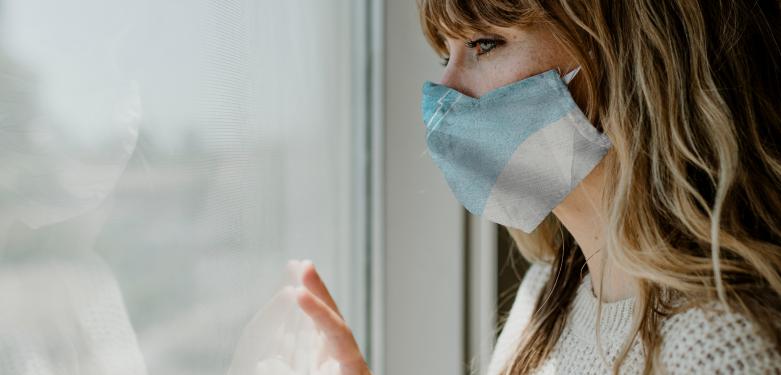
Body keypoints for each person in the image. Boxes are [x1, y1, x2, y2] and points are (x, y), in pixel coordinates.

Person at [296, 0, 781, 374]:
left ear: (627, 55)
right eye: (446, 52)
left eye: (485, 43)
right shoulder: (547, 293)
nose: (443, 91)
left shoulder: (722, 349)